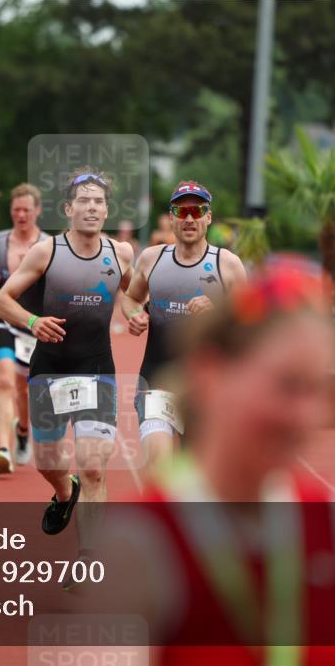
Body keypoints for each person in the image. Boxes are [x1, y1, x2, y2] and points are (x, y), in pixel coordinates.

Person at [94, 269, 335, 665]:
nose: (307, 416)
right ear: (212, 375)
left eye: (320, 391)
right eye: (287, 386)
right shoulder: (137, 546)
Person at [0, 167, 134, 543]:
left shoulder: (120, 253)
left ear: (106, 211)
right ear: (68, 208)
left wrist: (139, 311)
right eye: (84, 201)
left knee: (94, 469)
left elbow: (136, 294)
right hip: (50, 368)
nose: (91, 208)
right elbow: (2, 300)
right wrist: (33, 320)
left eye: (98, 202)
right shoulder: (47, 251)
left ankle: (89, 559)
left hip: (96, 367)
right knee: (48, 463)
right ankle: (63, 492)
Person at [120, 181, 246, 466]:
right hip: (157, 379)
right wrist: (134, 315)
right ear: (172, 217)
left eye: (197, 210)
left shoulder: (228, 264)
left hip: (206, 387)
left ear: (208, 217)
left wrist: (218, 309)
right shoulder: (152, 259)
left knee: (196, 477)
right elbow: (130, 299)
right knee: (158, 464)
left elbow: (249, 324)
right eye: (182, 211)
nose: (189, 218)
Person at [0, 183, 50, 473]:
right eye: (16, 210)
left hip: (33, 323)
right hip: (3, 317)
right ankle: (3, 448)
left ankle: (22, 431)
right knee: (5, 380)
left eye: (26, 210)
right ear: (11, 211)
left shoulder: (47, 244)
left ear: (37, 211)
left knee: (24, 388)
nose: (21, 215)